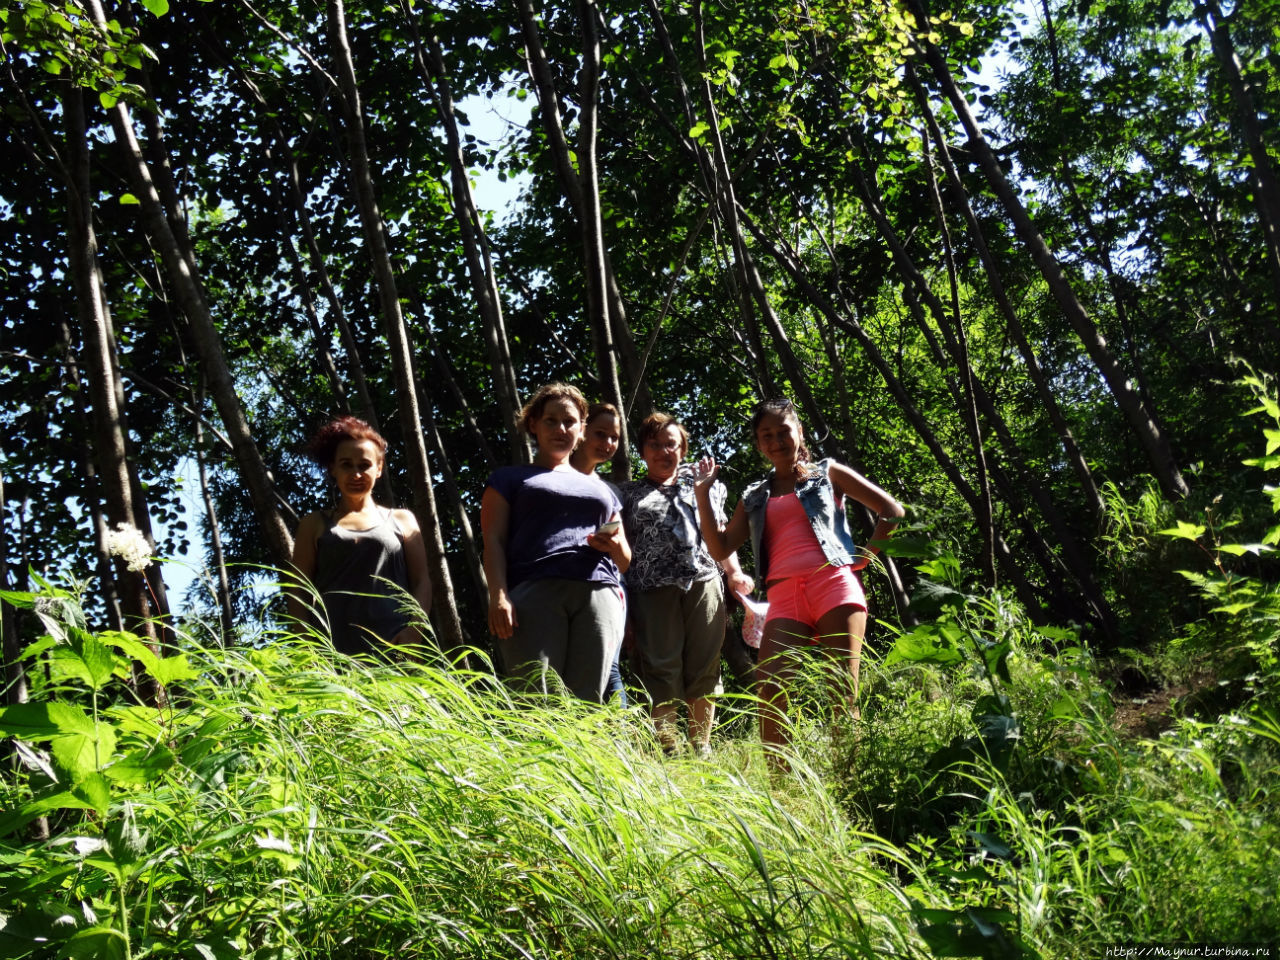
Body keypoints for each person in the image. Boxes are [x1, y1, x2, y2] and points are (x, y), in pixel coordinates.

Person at [693, 398, 904, 765]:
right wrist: (701, 493)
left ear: (799, 432)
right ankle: (783, 793)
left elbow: (892, 511)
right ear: (759, 444)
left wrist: (864, 559)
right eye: (766, 435)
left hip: (834, 585)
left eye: (783, 431)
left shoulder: (828, 473)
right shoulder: (754, 495)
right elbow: (720, 546)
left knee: (841, 691)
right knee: (770, 691)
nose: (776, 440)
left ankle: (848, 785)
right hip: (784, 595)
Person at [481, 383, 631, 701]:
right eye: (551, 420)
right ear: (533, 424)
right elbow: (493, 540)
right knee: (534, 700)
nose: (561, 429)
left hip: (599, 593)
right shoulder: (508, 479)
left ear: (581, 430)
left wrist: (614, 546)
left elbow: (626, 558)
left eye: (570, 422)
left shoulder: (604, 489)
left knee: (588, 705)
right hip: (534, 593)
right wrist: (498, 595)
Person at [619, 412, 754, 756]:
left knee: (705, 664)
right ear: (642, 451)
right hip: (650, 589)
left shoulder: (707, 487)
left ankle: (701, 748)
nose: (663, 451)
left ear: (683, 449)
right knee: (660, 665)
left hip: (704, 582)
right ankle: (669, 749)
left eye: (671, 445)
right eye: (655, 445)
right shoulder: (626, 495)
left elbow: (721, 536)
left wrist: (734, 573)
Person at [288, 416, 433, 656]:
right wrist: (306, 646)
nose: (356, 474)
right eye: (346, 464)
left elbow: (422, 581)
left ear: (379, 468)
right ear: (333, 468)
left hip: (395, 648)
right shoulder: (313, 524)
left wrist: (413, 631)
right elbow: (298, 589)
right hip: (330, 654)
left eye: (364, 465)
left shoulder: (402, 520)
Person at [568, 402, 629, 706]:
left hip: (607, 588)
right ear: (582, 431)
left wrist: (613, 545)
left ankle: (621, 746)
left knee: (611, 669)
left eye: (614, 438)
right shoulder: (546, 477)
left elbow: (625, 559)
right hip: (555, 589)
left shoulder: (612, 492)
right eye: (600, 434)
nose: (607, 444)